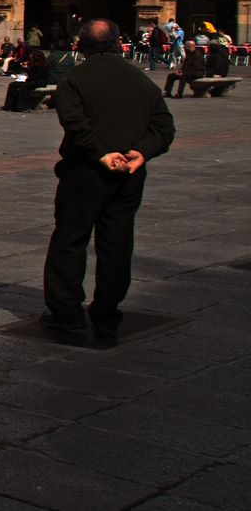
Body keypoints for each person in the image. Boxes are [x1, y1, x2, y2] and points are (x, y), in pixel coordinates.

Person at [43, 19, 175, 338]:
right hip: (129, 175)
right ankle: (106, 312)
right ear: (117, 43)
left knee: (70, 240)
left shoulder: (75, 79)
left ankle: (68, 314)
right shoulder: (140, 80)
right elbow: (164, 127)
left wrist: (102, 154)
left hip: (85, 173)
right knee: (117, 244)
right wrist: (141, 153)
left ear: (81, 45)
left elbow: (75, 124)